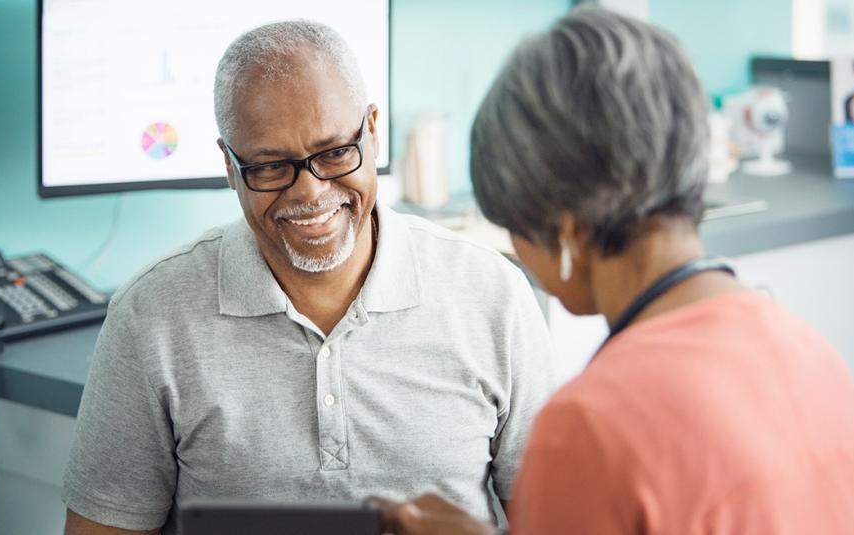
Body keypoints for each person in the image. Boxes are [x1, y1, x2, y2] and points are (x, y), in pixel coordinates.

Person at [377, 7, 854, 534]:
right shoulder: (813, 355)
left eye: (512, 228)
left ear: (565, 230)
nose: (519, 254)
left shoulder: (589, 430)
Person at [62, 20, 560, 535]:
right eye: (270, 167)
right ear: (230, 167)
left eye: (334, 153)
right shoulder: (150, 317)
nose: (309, 192)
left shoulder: (492, 295)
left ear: (371, 130)